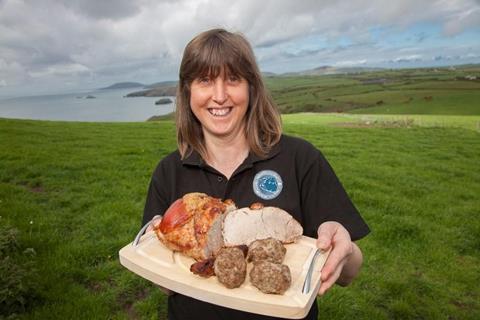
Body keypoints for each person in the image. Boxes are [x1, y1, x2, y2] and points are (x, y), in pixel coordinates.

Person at [143, 28, 370, 320]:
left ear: (251, 87)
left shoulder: (301, 159)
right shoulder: (169, 171)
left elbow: (348, 274)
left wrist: (346, 249)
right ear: (188, 90)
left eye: (233, 79)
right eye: (205, 80)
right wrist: (157, 252)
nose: (220, 95)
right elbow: (164, 286)